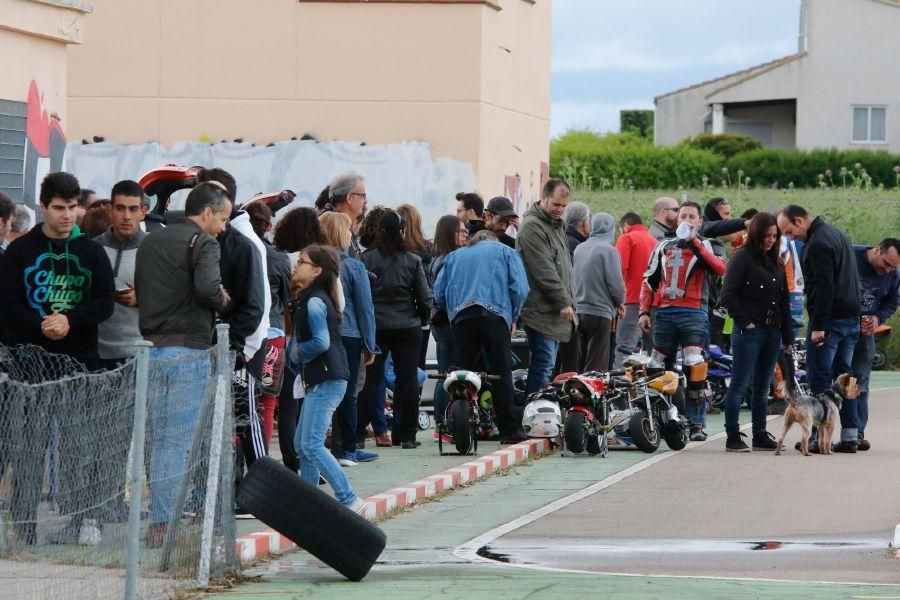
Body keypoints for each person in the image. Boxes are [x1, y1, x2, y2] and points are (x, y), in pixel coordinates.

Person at [0, 172, 116, 546]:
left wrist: (70, 319)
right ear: (43, 206)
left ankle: (84, 519)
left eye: (72, 208)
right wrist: (41, 325)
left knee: (80, 447)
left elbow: (104, 302)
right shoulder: (20, 251)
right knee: (28, 450)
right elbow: (8, 306)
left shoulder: (91, 252)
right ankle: (24, 524)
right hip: (31, 367)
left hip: (80, 364)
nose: (67, 216)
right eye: (59, 208)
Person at [134, 182, 230, 547]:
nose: (222, 226)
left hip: (150, 349)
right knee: (177, 443)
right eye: (221, 218)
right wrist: (222, 297)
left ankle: (159, 518)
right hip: (188, 350)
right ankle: (163, 524)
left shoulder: (151, 241)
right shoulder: (203, 243)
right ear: (206, 212)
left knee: (157, 441)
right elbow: (208, 291)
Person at [198, 168, 270, 482]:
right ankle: (214, 493)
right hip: (200, 349)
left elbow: (258, 305)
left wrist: (238, 348)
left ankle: (262, 487)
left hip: (238, 351)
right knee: (208, 426)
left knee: (244, 419)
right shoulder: (194, 240)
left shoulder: (244, 245)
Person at [286, 244, 365, 514]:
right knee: (302, 444)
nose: (296, 266)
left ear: (316, 270)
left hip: (327, 379)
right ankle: (309, 504)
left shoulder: (315, 302)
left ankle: (350, 499)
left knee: (311, 444)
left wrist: (296, 353)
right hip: (323, 379)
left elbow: (321, 342)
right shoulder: (311, 298)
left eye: (301, 262)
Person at [639, 201, 726, 441]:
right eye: (683, 216)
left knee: (694, 364)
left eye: (692, 217)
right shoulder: (663, 245)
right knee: (656, 367)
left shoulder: (710, 244)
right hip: (665, 313)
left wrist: (695, 243)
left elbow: (720, 269)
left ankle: (697, 424)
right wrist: (644, 311)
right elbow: (648, 280)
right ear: (677, 220)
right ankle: (662, 419)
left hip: (695, 314)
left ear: (699, 221)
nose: (686, 220)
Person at [777, 205, 860, 453]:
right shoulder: (838, 234)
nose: (790, 237)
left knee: (820, 378)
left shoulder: (817, 245)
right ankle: (850, 435)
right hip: (851, 316)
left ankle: (817, 436)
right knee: (847, 379)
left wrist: (819, 325)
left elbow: (823, 287)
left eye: (789, 231)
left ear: (800, 220)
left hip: (830, 320)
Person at [434, 230, 530, 443]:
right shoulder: (505, 251)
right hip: (495, 317)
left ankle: (459, 423)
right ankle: (509, 430)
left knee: (463, 370)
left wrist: (454, 312)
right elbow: (520, 288)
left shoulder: (454, 256)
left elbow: (439, 292)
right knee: (501, 372)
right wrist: (513, 316)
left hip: (462, 318)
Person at [358, 211, 433, 449]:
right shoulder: (412, 260)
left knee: (370, 380)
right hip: (407, 325)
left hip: (376, 326)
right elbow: (424, 297)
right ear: (402, 232)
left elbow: (361, 294)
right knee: (407, 379)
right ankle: (406, 434)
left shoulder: (366, 258)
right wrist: (421, 318)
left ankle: (359, 432)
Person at [719, 213, 792, 452]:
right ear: (756, 234)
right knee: (740, 384)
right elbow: (728, 295)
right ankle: (732, 435)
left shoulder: (776, 261)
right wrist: (746, 322)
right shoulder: (742, 258)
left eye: (774, 236)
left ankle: (760, 433)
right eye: (767, 235)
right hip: (749, 331)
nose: (770, 240)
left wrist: (788, 335)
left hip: (772, 331)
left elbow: (784, 300)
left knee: (763, 386)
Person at [319, 211, 379, 462]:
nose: (350, 235)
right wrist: (370, 344)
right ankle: (348, 448)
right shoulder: (354, 266)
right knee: (349, 392)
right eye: (347, 231)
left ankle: (325, 446)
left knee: (322, 391)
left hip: (321, 334)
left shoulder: (313, 264)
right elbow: (366, 308)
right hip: (350, 335)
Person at [272, 207, 326, 472]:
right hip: (304, 334)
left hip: (284, 331)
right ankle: (303, 461)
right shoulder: (312, 260)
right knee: (306, 401)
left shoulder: (280, 256)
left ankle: (292, 460)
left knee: (287, 403)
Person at [517, 178, 575, 394]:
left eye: (563, 206)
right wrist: (563, 301)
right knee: (544, 364)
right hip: (541, 310)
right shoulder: (532, 227)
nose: (559, 210)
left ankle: (542, 411)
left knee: (548, 365)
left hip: (554, 311)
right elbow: (544, 270)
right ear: (544, 198)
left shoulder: (556, 225)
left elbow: (564, 267)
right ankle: (535, 413)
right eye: (555, 205)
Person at [841, 238, 899, 452]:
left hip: (865, 332)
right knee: (830, 378)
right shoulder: (850, 256)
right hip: (840, 326)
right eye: (885, 263)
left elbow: (893, 300)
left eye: (893, 266)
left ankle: (856, 432)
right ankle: (819, 433)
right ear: (876, 250)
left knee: (860, 382)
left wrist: (877, 318)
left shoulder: (893, 274)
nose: (888, 270)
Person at [243, 201, 292, 452]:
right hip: (273, 333)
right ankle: (260, 459)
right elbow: (286, 298)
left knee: (239, 400)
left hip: (241, 336)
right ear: (269, 226)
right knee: (268, 400)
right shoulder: (279, 258)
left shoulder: (235, 248)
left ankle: (237, 455)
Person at [95, 181, 147, 367]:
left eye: (133, 209)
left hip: (141, 352)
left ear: (143, 211)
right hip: (96, 352)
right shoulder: (93, 248)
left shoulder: (155, 250)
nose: (126, 216)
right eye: (120, 208)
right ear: (110, 210)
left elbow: (173, 298)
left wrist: (142, 299)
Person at [427, 215, 466, 441]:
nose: (464, 236)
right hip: (447, 320)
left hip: (440, 321)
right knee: (449, 374)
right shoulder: (450, 259)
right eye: (460, 232)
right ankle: (443, 424)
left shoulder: (436, 258)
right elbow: (443, 295)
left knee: (446, 372)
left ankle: (444, 422)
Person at [573, 213, 625, 372]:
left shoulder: (579, 248)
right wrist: (620, 302)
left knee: (580, 361)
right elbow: (615, 284)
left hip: (578, 311)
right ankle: (591, 396)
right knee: (596, 364)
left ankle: (576, 394)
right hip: (600, 313)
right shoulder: (609, 251)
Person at [614, 212, 657, 366]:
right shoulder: (655, 241)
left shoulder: (627, 238)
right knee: (652, 351)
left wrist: (617, 298)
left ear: (625, 226)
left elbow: (619, 271)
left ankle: (620, 384)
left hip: (632, 300)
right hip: (655, 302)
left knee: (624, 349)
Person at [396, 204, 433, 370]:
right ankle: (415, 395)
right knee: (417, 368)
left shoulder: (390, 252)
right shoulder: (428, 251)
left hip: (393, 318)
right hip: (419, 318)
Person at [327, 173, 367, 258]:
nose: (365, 201)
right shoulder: (334, 232)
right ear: (349, 198)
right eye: (363, 195)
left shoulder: (344, 229)